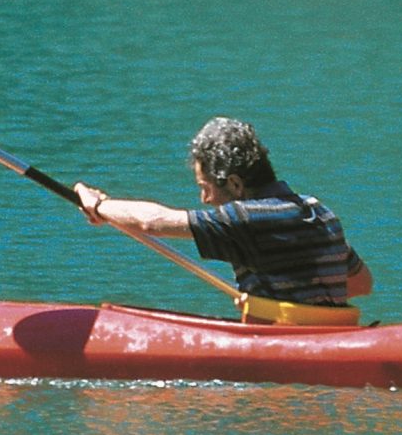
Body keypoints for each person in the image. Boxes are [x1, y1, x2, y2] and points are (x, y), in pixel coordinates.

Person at [74, 117, 372, 322]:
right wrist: (276, 295)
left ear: (235, 184)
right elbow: (360, 283)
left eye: (206, 188)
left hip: (280, 343)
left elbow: (151, 223)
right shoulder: (321, 212)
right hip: (334, 334)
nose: (205, 200)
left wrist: (99, 205)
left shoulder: (244, 219)